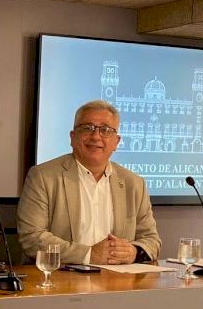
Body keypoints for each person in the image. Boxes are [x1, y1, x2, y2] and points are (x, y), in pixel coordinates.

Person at [17, 99, 161, 265]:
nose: (96, 136)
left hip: (117, 278)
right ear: (72, 137)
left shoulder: (134, 183)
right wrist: (88, 255)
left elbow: (151, 240)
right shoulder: (43, 177)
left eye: (105, 130)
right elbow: (32, 237)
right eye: (87, 128)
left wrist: (133, 252)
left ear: (116, 142)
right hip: (60, 275)